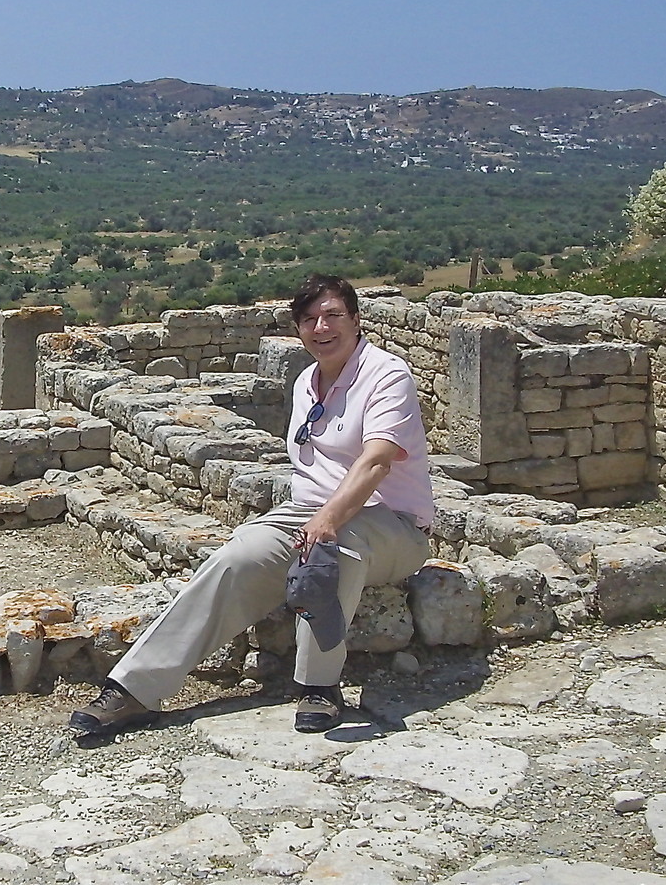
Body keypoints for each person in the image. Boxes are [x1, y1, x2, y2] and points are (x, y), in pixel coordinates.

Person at [68, 273, 434, 736]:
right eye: (309, 320)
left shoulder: (386, 374)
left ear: (357, 320)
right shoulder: (306, 381)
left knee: (337, 546)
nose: (321, 328)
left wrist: (326, 521)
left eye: (333, 316)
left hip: (393, 525)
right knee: (236, 557)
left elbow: (377, 461)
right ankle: (135, 689)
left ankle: (318, 687)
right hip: (309, 512)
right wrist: (313, 520)